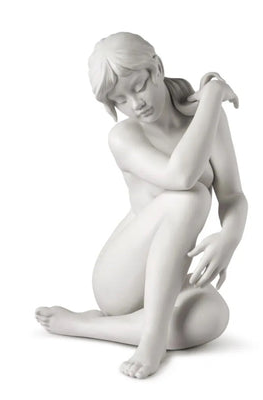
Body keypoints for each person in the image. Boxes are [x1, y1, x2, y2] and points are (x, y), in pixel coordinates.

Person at [36, 32, 248, 379]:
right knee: (191, 198)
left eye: (138, 87)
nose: (135, 104)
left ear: (157, 68)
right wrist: (212, 96)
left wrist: (229, 237)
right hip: (122, 279)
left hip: (169, 279)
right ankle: (151, 338)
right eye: (120, 100)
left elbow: (233, 196)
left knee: (214, 316)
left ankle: (93, 325)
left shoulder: (207, 119)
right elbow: (181, 176)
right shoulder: (124, 136)